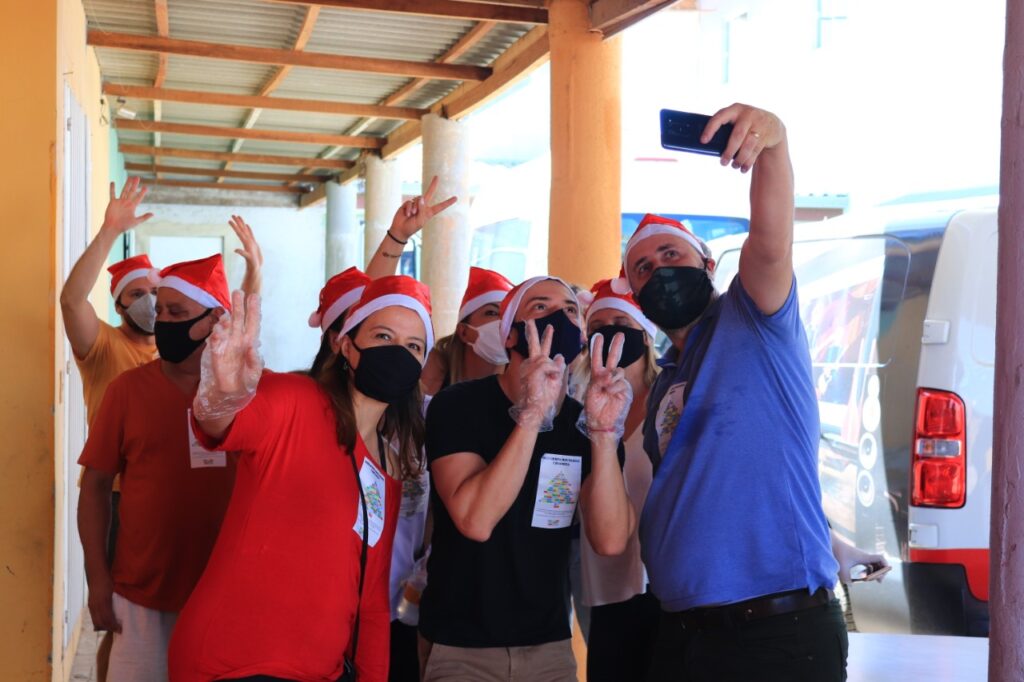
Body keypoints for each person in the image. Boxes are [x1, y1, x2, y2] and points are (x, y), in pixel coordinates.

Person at [624, 103, 846, 681]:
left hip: (775, 629)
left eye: (670, 254)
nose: (659, 270)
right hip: (686, 630)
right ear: (635, 294)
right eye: (643, 268)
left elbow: (770, 244)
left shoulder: (754, 315)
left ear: (706, 263)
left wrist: (774, 143)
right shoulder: (665, 380)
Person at [169, 276, 435, 682]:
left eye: (413, 346)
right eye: (383, 335)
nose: (398, 352)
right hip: (233, 663)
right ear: (346, 345)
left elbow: (371, 600)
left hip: (320, 670)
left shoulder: (389, 466)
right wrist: (221, 394)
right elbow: (220, 424)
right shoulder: (295, 399)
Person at [419, 275, 635, 682]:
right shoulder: (458, 405)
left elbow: (610, 540)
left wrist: (605, 434)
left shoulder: (586, 420)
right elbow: (475, 520)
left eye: (570, 310)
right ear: (510, 334)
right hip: (460, 646)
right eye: (540, 307)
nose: (560, 317)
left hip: (549, 648)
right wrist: (533, 413)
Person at [77, 254, 238, 682]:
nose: (161, 320)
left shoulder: (247, 393)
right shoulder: (127, 391)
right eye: (160, 310)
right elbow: (94, 486)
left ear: (215, 318)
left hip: (226, 597)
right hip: (141, 599)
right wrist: (98, 579)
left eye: (176, 313)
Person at [573, 278, 662, 682]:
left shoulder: (673, 401)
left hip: (666, 591)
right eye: (598, 327)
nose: (609, 334)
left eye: (621, 324)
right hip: (608, 592)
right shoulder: (578, 411)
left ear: (645, 335)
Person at [420, 266, 514, 395]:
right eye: (492, 313)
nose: (503, 323)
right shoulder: (433, 369)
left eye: (509, 316)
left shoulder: (523, 380)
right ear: (464, 332)